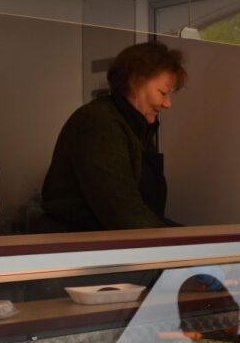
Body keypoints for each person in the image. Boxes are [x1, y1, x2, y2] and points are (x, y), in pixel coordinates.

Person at [40, 41, 186, 231]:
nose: (168, 104)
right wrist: (188, 238)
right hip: (81, 245)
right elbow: (126, 215)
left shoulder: (134, 124)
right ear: (134, 83)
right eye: (163, 93)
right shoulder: (100, 124)